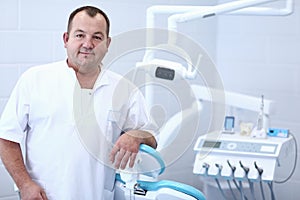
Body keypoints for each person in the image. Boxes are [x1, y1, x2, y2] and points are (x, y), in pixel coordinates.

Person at [0, 5, 158, 200]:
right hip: (43, 196)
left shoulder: (125, 89)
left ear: (107, 43)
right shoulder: (35, 80)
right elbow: (6, 138)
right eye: (80, 35)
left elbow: (151, 137)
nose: (88, 44)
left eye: (97, 37)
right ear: (66, 39)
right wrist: (25, 185)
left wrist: (136, 136)